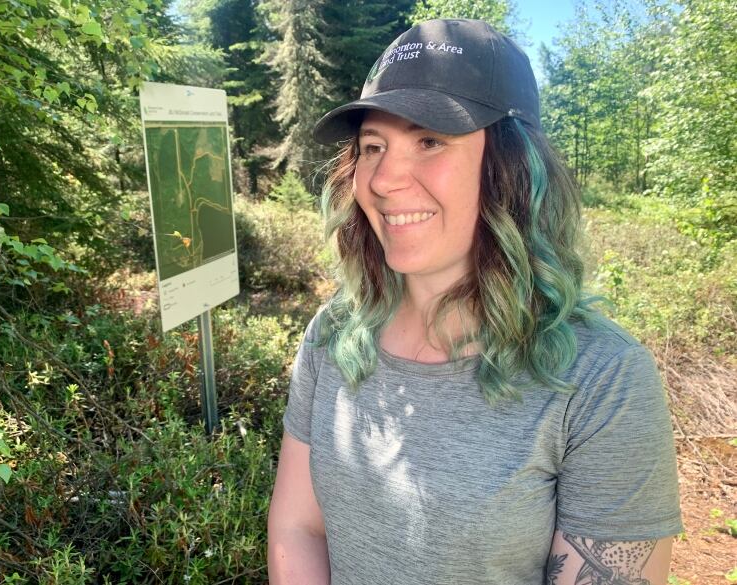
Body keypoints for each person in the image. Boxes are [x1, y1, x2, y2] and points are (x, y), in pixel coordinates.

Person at [267, 18, 683, 585]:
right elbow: (298, 527)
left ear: (510, 169)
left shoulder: (601, 379)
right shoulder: (333, 335)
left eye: (429, 140)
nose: (386, 178)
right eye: (372, 146)